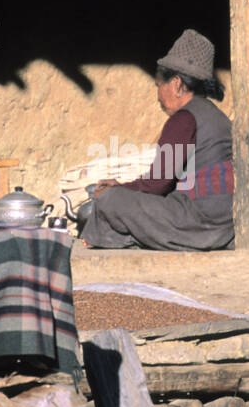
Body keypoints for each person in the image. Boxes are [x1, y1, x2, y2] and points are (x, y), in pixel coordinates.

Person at [81, 29, 235, 250]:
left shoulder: (184, 119)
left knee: (109, 200)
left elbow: (157, 184)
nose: (158, 96)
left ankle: (104, 240)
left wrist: (120, 188)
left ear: (176, 83)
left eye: (158, 86)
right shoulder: (217, 116)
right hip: (225, 223)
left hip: (198, 221)